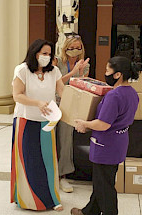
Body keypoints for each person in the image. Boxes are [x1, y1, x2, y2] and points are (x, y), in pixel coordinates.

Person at [71, 56, 142, 215]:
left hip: (105, 144)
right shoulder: (132, 93)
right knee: (103, 180)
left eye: (107, 70)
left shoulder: (113, 96)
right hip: (119, 142)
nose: (105, 73)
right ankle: (90, 211)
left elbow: (103, 124)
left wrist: (85, 123)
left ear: (118, 74)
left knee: (105, 186)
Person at [11, 39, 65, 212]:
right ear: (35, 54)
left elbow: (62, 91)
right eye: (44, 54)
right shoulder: (22, 70)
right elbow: (17, 96)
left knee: (48, 160)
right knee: (29, 160)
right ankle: (28, 200)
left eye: (49, 54)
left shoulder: (54, 71)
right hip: (26, 120)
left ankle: (52, 198)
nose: (47, 57)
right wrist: (37, 103)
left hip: (48, 121)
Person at [53, 34, 90, 193]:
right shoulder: (57, 61)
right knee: (52, 139)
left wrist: (80, 74)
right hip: (54, 103)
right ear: (65, 48)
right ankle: (50, 173)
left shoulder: (84, 64)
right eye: (71, 48)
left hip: (72, 104)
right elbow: (55, 82)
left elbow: (82, 86)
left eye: (78, 48)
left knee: (66, 139)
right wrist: (73, 71)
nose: (75, 51)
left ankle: (63, 175)